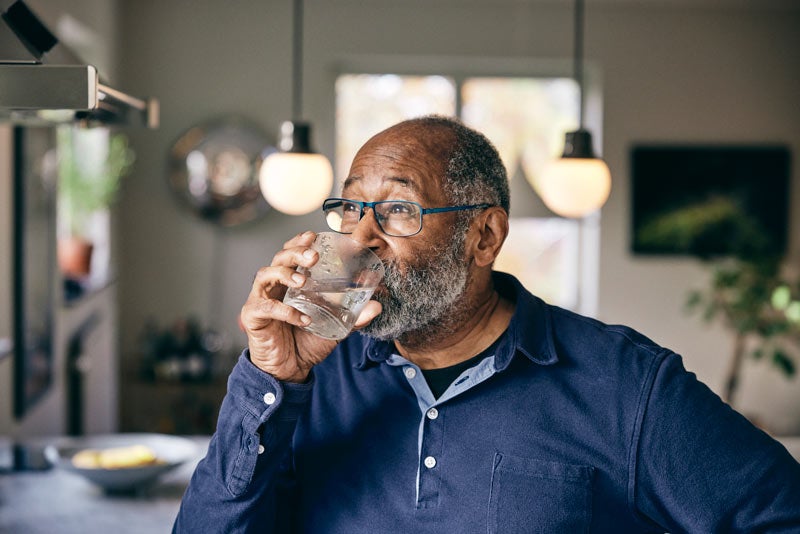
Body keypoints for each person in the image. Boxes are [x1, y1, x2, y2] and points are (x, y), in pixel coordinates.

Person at [174, 116, 800, 533]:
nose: (360, 237)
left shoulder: (627, 386)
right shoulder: (306, 376)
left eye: (396, 209)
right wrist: (269, 379)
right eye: (350, 208)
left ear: (484, 235)